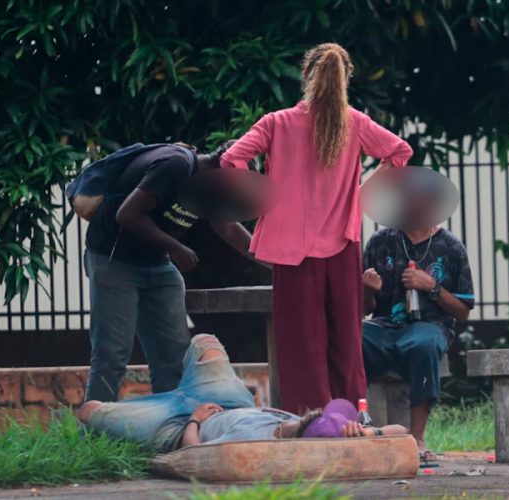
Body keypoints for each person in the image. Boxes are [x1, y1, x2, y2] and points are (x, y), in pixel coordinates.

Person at [220, 43, 413, 413]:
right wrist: (361, 194)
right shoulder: (356, 122)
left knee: (300, 339)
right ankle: (353, 414)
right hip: (342, 242)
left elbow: (232, 159)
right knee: (346, 335)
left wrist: (265, 198)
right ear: (345, 79)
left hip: (291, 249)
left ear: (306, 75)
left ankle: (309, 416)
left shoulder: (276, 123)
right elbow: (399, 152)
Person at [83, 142, 254, 402]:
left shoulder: (206, 189)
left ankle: (170, 431)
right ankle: (94, 433)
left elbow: (229, 229)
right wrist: (176, 247)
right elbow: (127, 214)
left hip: (158, 263)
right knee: (112, 355)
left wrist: (276, 262)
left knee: (173, 358)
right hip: (115, 260)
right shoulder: (176, 166)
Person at [78, 334, 407, 452]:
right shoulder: (294, 422)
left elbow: (194, 455)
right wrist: (369, 432)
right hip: (228, 400)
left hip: (178, 426)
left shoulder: (252, 444)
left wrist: (194, 420)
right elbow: (401, 432)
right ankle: (174, 388)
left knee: (89, 412)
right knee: (205, 342)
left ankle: (164, 400)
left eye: (319, 416)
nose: (318, 410)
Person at [361, 224, 475, 459]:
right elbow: (364, 309)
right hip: (383, 326)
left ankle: (417, 437)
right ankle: (356, 429)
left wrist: (432, 287)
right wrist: (367, 291)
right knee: (350, 340)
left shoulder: (451, 246)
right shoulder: (379, 242)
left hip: (430, 326)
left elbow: (463, 312)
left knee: (423, 345)